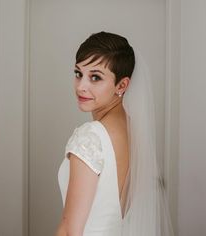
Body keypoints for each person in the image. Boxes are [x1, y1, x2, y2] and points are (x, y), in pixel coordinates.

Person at [55, 31, 174, 236]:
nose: (81, 86)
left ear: (122, 85)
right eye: (78, 73)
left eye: (95, 77)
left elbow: (69, 230)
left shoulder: (90, 137)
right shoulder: (134, 131)